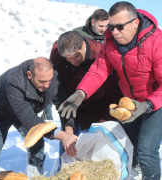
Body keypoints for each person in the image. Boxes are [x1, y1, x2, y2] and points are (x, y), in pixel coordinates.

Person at [59, 2, 162, 179]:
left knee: (146, 149)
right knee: (131, 143)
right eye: (111, 27)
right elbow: (99, 69)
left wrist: (146, 105)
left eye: (120, 27)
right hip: (130, 102)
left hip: (155, 101)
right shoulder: (110, 41)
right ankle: (133, 170)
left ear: (135, 23)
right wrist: (80, 93)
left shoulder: (157, 43)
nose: (114, 32)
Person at [0, 57, 78, 179]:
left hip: (25, 111)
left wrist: (69, 129)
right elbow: (31, 121)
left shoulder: (53, 77)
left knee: (37, 144)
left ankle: (34, 177)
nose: (47, 85)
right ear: (29, 75)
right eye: (42, 81)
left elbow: (64, 104)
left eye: (49, 81)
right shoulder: (14, 81)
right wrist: (62, 135)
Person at [49, 31, 124, 173]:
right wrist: (68, 127)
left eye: (76, 55)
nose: (73, 61)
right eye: (68, 58)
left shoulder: (100, 52)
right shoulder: (57, 52)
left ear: (83, 45)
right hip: (71, 107)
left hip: (97, 110)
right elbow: (58, 89)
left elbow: (114, 92)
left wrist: (105, 121)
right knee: (66, 150)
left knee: (93, 155)